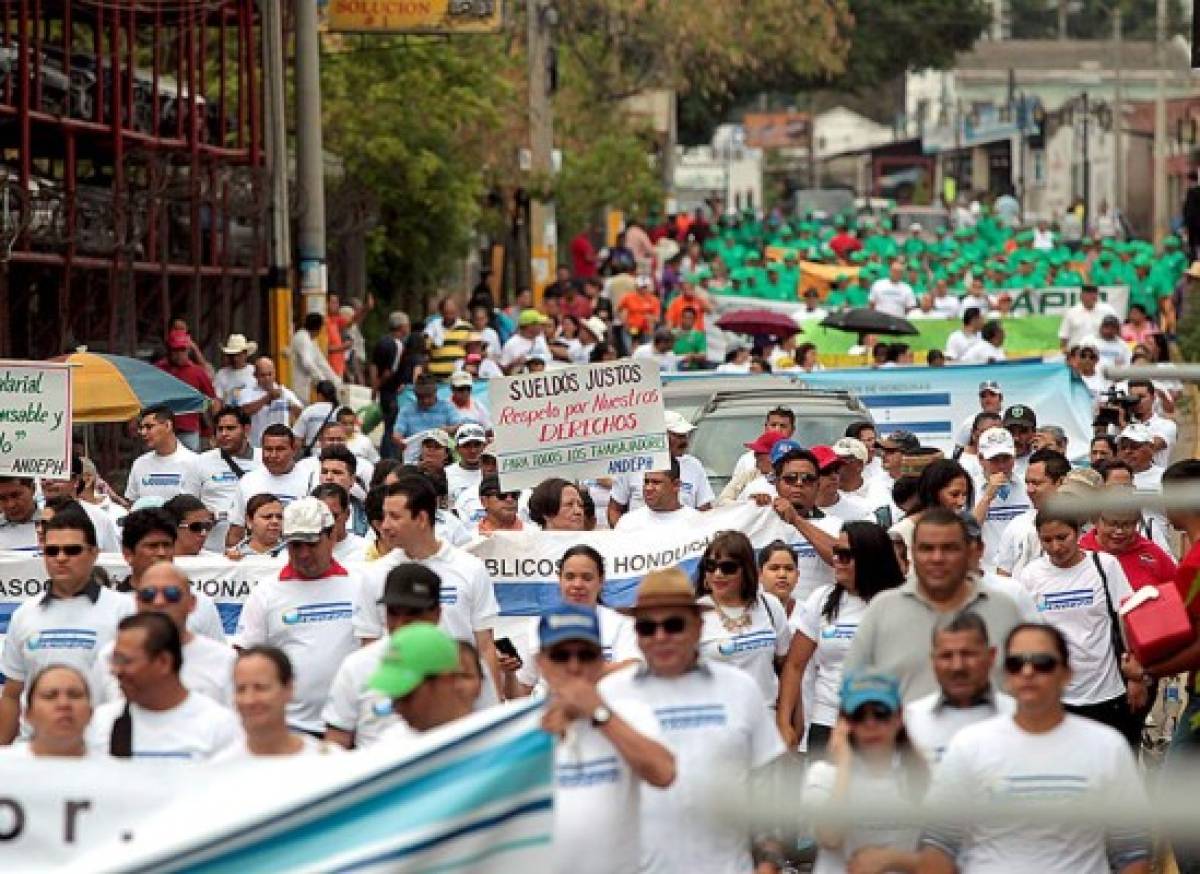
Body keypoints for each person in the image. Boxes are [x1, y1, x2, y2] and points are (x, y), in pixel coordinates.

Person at [917, 623, 1151, 874]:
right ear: (1006, 674)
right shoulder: (969, 745)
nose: (1028, 672)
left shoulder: (1107, 747)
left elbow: (1132, 850)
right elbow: (938, 843)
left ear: (1067, 672)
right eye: (1016, 664)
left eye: (1042, 663)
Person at [600, 568, 784, 874]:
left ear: (698, 626)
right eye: (647, 628)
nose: (660, 637)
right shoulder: (610, 697)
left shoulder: (740, 689)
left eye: (673, 625)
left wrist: (767, 865)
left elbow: (767, 792)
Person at [539, 603, 675, 874]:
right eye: (561, 656)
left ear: (601, 661)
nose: (574, 667)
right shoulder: (520, 725)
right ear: (541, 663)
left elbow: (664, 772)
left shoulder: (631, 713)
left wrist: (599, 714)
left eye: (586, 656)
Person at [845, 508, 1023, 702]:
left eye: (949, 548)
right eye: (927, 549)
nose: (937, 558)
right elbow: (852, 694)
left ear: (970, 551)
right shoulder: (883, 610)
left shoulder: (1004, 609)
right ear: (912, 552)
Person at [352, 477, 503, 701]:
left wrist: (493, 704)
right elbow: (369, 649)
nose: (384, 526)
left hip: (460, 701)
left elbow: (485, 646)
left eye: (394, 517)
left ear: (421, 518)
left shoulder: (470, 568)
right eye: (384, 516)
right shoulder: (373, 575)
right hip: (400, 702)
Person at [0, 508, 134, 744]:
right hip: (35, 751)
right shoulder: (24, 615)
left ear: (94, 554)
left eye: (72, 550)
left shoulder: (125, 611)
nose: (61, 557)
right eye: (52, 551)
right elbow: (12, 694)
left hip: (99, 751)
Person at [233, 498, 359, 735]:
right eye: (295, 545)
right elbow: (247, 661)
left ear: (332, 537)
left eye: (311, 544)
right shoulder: (266, 593)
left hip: (354, 726)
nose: (303, 554)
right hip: (291, 728)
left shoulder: (360, 585)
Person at [1016, 512, 1142, 748]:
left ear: (1078, 533)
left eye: (1062, 537)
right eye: (1047, 540)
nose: (1056, 547)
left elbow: (1129, 619)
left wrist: (1136, 676)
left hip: (1106, 692)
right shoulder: (1031, 576)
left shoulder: (1105, 566)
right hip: (1056, 697)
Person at [779, 521, 906, 754]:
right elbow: (795, 665)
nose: (835, 560)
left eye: (845, 555)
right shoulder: (822, 599)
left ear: (870, 557)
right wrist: (784, 721)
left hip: (883, 723)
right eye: (836, 552)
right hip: (826, 721)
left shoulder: (901, 602)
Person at [803, 671, 928, 874]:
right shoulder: (823, 775)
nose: (870, 723)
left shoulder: (917, 774)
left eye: (880, 713)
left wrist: (891, 860)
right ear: (845, 723)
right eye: (859, 715)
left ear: (898, 718)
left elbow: (946, 857)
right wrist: (844, 765)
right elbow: (830, 837)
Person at [87, 613, 242, 759]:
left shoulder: (220, 727)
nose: (115, 671)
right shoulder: (101, 723)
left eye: (126, 661)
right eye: (115, 660)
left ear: (163, 662)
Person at [323, 563, 442, 749]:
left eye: (413, 614)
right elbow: (335, 743)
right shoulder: (357, 667)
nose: (401, 624)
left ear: (437, 613)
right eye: (393, 613)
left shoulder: (464, 666)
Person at [93, 561, 235, 707]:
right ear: (137, 602)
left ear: (191, 603)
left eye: (171, 594)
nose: (159, 602)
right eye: (149, 594)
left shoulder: (225, 661)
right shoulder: (109, 657)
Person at [690, 531, 791, 704]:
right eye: (711, 566)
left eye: (728, 567)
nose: (718, 574)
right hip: (719, 722)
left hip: (767, 718)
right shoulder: (693, 614)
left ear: (746, 570)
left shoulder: (770, 605)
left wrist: (787, 720)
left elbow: (788, 668)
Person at [904, 611, 1015, 764]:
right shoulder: (910, 722)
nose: (957, 667)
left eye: (968, 654)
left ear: (991, 656)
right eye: (946, 656)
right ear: (932, 660)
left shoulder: (1019, 716)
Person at [215, 647, 340, 759]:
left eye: (261, 688)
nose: (249, 700)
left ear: (288, 689)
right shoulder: (221, 769)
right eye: (241, 689)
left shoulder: (328, 761)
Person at [608, 411, 713, 524]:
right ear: (660, 436)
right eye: (679, 436)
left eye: (685, 436)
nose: (685, 442)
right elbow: (615, 509)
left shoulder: (694, 465)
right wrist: (623, 535)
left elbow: (705, 509)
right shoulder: (633, 464)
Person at [369, 623, 474, 733]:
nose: (398, 709)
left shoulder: (489, 742)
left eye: (407, 695)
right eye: (394, 698)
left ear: (446, 680)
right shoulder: (392, 744)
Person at [225, 424, 313, 546]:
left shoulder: (310, 480)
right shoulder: (248, 481)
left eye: (280, 449)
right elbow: (236, 530)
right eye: (268, 449)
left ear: (293, 450)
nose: (273, 455)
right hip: (256, 558)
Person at [193, 405, 261, 551]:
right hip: (211, 550)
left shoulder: (264, 460)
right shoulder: (201, 461)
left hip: (256, 550)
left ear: (246, 430)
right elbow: (188, 503)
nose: (224, 434)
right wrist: (203, 515)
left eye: (230, 428)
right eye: (220, 429)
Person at [994, 448, 1070, 577]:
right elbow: (1002, 576)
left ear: (1061, 482)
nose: (1029, 490)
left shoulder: (1082, 524)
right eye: (1027, 483)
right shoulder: (1017, 525)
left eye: (1036, 483)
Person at [971, 427, 1032, 573]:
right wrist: (987, 497)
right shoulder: (970, 488)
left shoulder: (1027, 486)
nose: (1002, 466)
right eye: (994, 460)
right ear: (980, 458)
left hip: (1024, 571)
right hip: (987, 571)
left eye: (1006, 459)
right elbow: (968, 529)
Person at [1081, 506, 1177, 590]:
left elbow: (1177, 592)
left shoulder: (1151, 552)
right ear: (1096, 521)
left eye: (1127, 524)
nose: (1119, 531)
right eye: (1112, 524)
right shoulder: (1081, 553)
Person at [6, 665, 93, 757]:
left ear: (91, 712)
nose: (63, 704)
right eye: (49, 696)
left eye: (74, 695)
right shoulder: (4, 766)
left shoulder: (108, 769)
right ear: (28, 713)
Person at [155, 329, 217, 450]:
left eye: (182, 350)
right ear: (169, 350)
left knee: (190, 465)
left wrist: (215, 426)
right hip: (162, 427)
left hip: (188, 429)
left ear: (188, 350)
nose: (179, 354)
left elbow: (212, 400)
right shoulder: (158, 369)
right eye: (176, 350)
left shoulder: (197, 372)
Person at [125, 405, 200, 505]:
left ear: (168, 425)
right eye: (141, 428)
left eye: (149, 427)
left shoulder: (195, 463)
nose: (143, 432)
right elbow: (131, 504)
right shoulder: (140, 463)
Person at [612, 459, 700, 531]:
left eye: (656, 482)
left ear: (676, 485)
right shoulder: (628, 523)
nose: (648, 488)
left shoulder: (697, 523)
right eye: (646, 482)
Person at [239, 355, 303, 447]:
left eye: (270, 374)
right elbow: (244, 411)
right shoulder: (247, 392)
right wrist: (267, 398)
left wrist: (290, 405)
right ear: (255, 375)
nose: (267, 378)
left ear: (274, 373)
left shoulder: (284, 392)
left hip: (281, 446)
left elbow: (300, 413)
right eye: (263, 375)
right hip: (257, 446)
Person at [392, 375, 463, 456]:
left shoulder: (447, 407)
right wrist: (398, 440)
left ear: (435, 392)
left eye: (429, 396)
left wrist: (448, 429)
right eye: (421, 397)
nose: (425, 401)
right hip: (415, 456)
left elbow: (459, 426)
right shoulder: (406, 411)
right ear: (415, 395)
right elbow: (397, 433)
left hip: (442, 455)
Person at [289, 312, 341, 402]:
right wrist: (322, 380)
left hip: (304, 384)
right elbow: (308, 362)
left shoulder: (310, 339)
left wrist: (336, 381)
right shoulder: (303, 338)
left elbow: (320, 361)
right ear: (317, 328)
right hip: (298, 384)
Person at [1127, 377, 1178, 469]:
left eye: (1142, 397)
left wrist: (1123, 426)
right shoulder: (1119, 423)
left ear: (1153, 397)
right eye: (1133, 397)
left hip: (1155, 481)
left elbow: (1147, 449)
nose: (1137, 401)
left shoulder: (1167, 425)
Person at [312, 483, 368, 563]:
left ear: (347, 514)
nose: (327, 523)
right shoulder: (303, 552)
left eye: (333, 516)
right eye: (320, 516)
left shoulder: (365, 549)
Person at [1059, 284, 1118, 352]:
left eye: (1094, 295)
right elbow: (1064, 335)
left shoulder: (1108, 311)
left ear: (1097, 297)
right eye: (1087, 295)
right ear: (1081, 296)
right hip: (1076, 353)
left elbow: (1117, 331)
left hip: (1101, 352)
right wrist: (1064, 351)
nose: (1090, 298)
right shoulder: (1071, 312)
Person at [500, 310, 551, 374]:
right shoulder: (511, 344)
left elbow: (549, 359)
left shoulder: (540, 338)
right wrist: (514, 363)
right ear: (530, 326)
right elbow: (502, 371)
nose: (542, 327)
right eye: (539, 324)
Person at [213, 334, 258, 406]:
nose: (235, 359)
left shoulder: (255, 371)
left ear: (245, 353)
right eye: (232, 355)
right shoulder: (221, 374)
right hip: (229, 413)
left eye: (238, 354)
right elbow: (217, 400)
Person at [0, 476, 41, 551]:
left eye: (15, 495)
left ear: (33, 489)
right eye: (2, 498)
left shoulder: (56, 523)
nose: (11, 505)